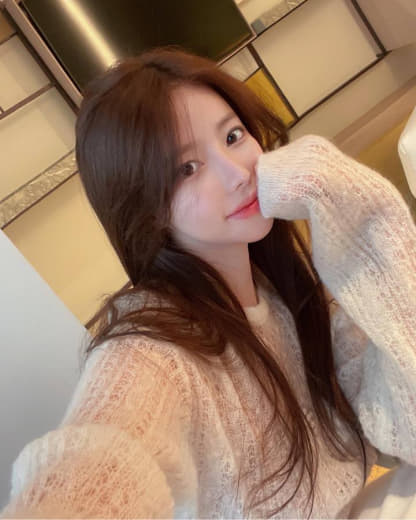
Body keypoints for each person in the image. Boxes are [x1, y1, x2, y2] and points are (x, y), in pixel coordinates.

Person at [1, 45, 415, 519]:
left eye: (233, 136)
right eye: (187, 168)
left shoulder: (282, 288)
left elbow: (404, 425)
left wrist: (363, 211)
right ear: (145, 206)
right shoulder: (155, 346)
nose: (237, 175)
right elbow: (103, 453)